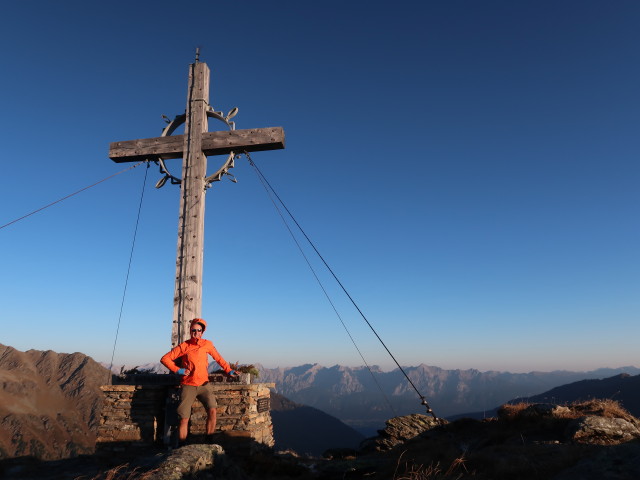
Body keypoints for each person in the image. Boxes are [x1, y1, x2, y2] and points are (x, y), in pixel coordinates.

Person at [161, 318, 238, 443]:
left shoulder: (207, 344)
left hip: (204, 384)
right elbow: (165, 359)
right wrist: (178, 370)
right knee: (184, 418)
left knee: (212, 411)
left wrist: (228, 370)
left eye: (199, 330)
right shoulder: (184, 346)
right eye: (194, 330)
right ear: (190, 330)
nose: (196, 332)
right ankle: (181, 447)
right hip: (188, 385)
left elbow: (218, 358)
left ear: (203, 332)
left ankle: (209, 441)